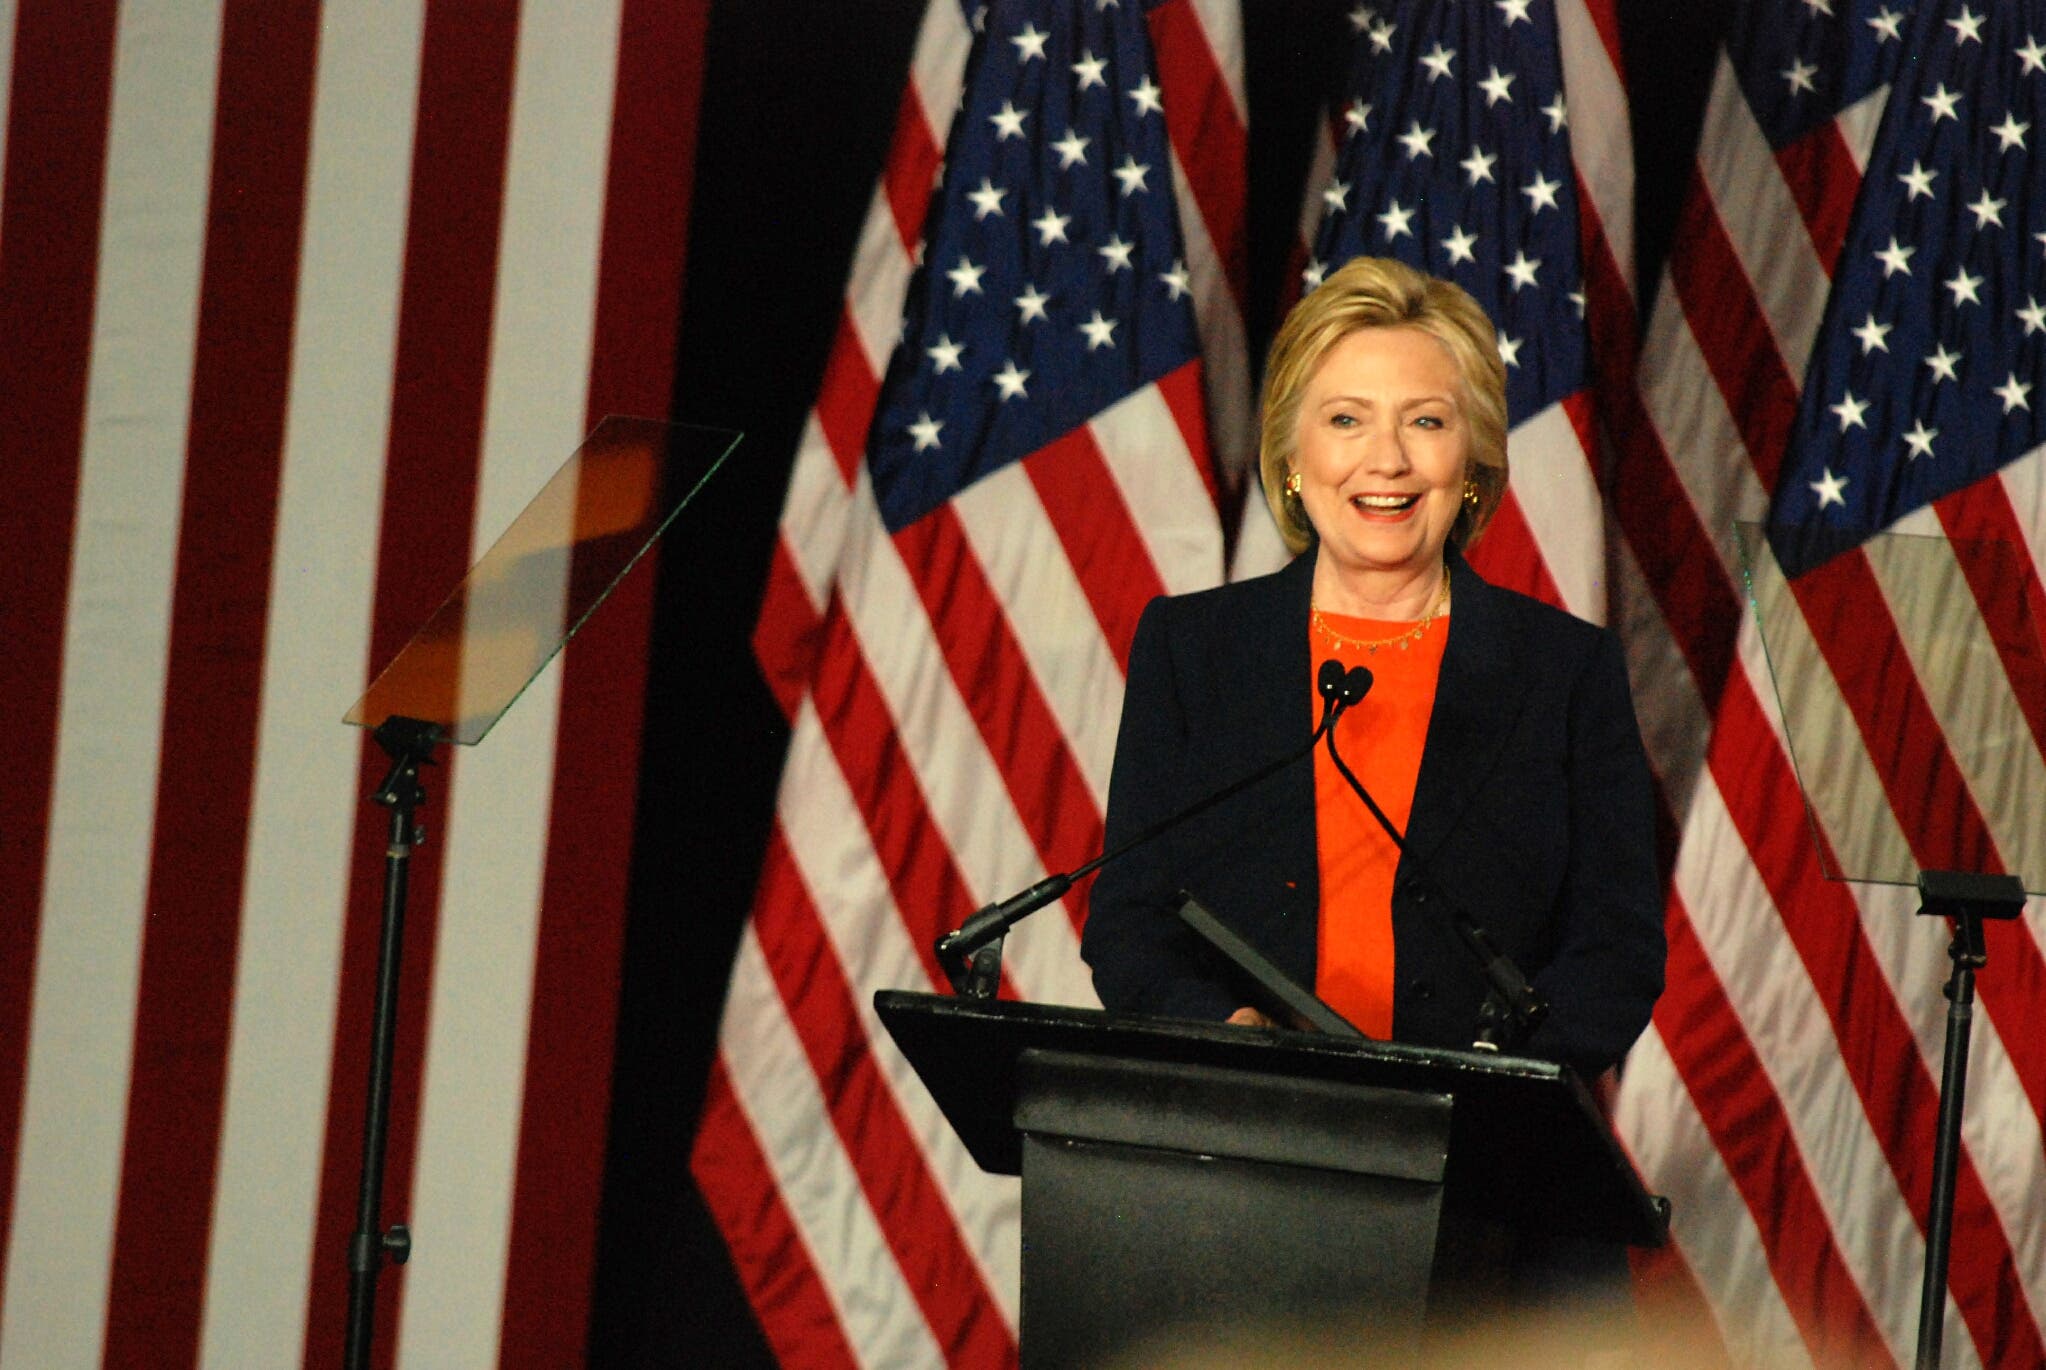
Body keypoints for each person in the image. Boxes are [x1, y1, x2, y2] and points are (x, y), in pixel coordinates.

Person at [1081, 256, 1663, 1078]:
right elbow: (1130, 920)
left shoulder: (1564, 672)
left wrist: (1490, 1086)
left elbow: (1615, 951)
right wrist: (1227, 1029)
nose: (1385, 459)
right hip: (1240, 1140)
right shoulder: (1194, 650)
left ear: (1472, 461)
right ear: (1290, 453)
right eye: (1347, 420)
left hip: (1478, 1166)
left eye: (1425, 422)